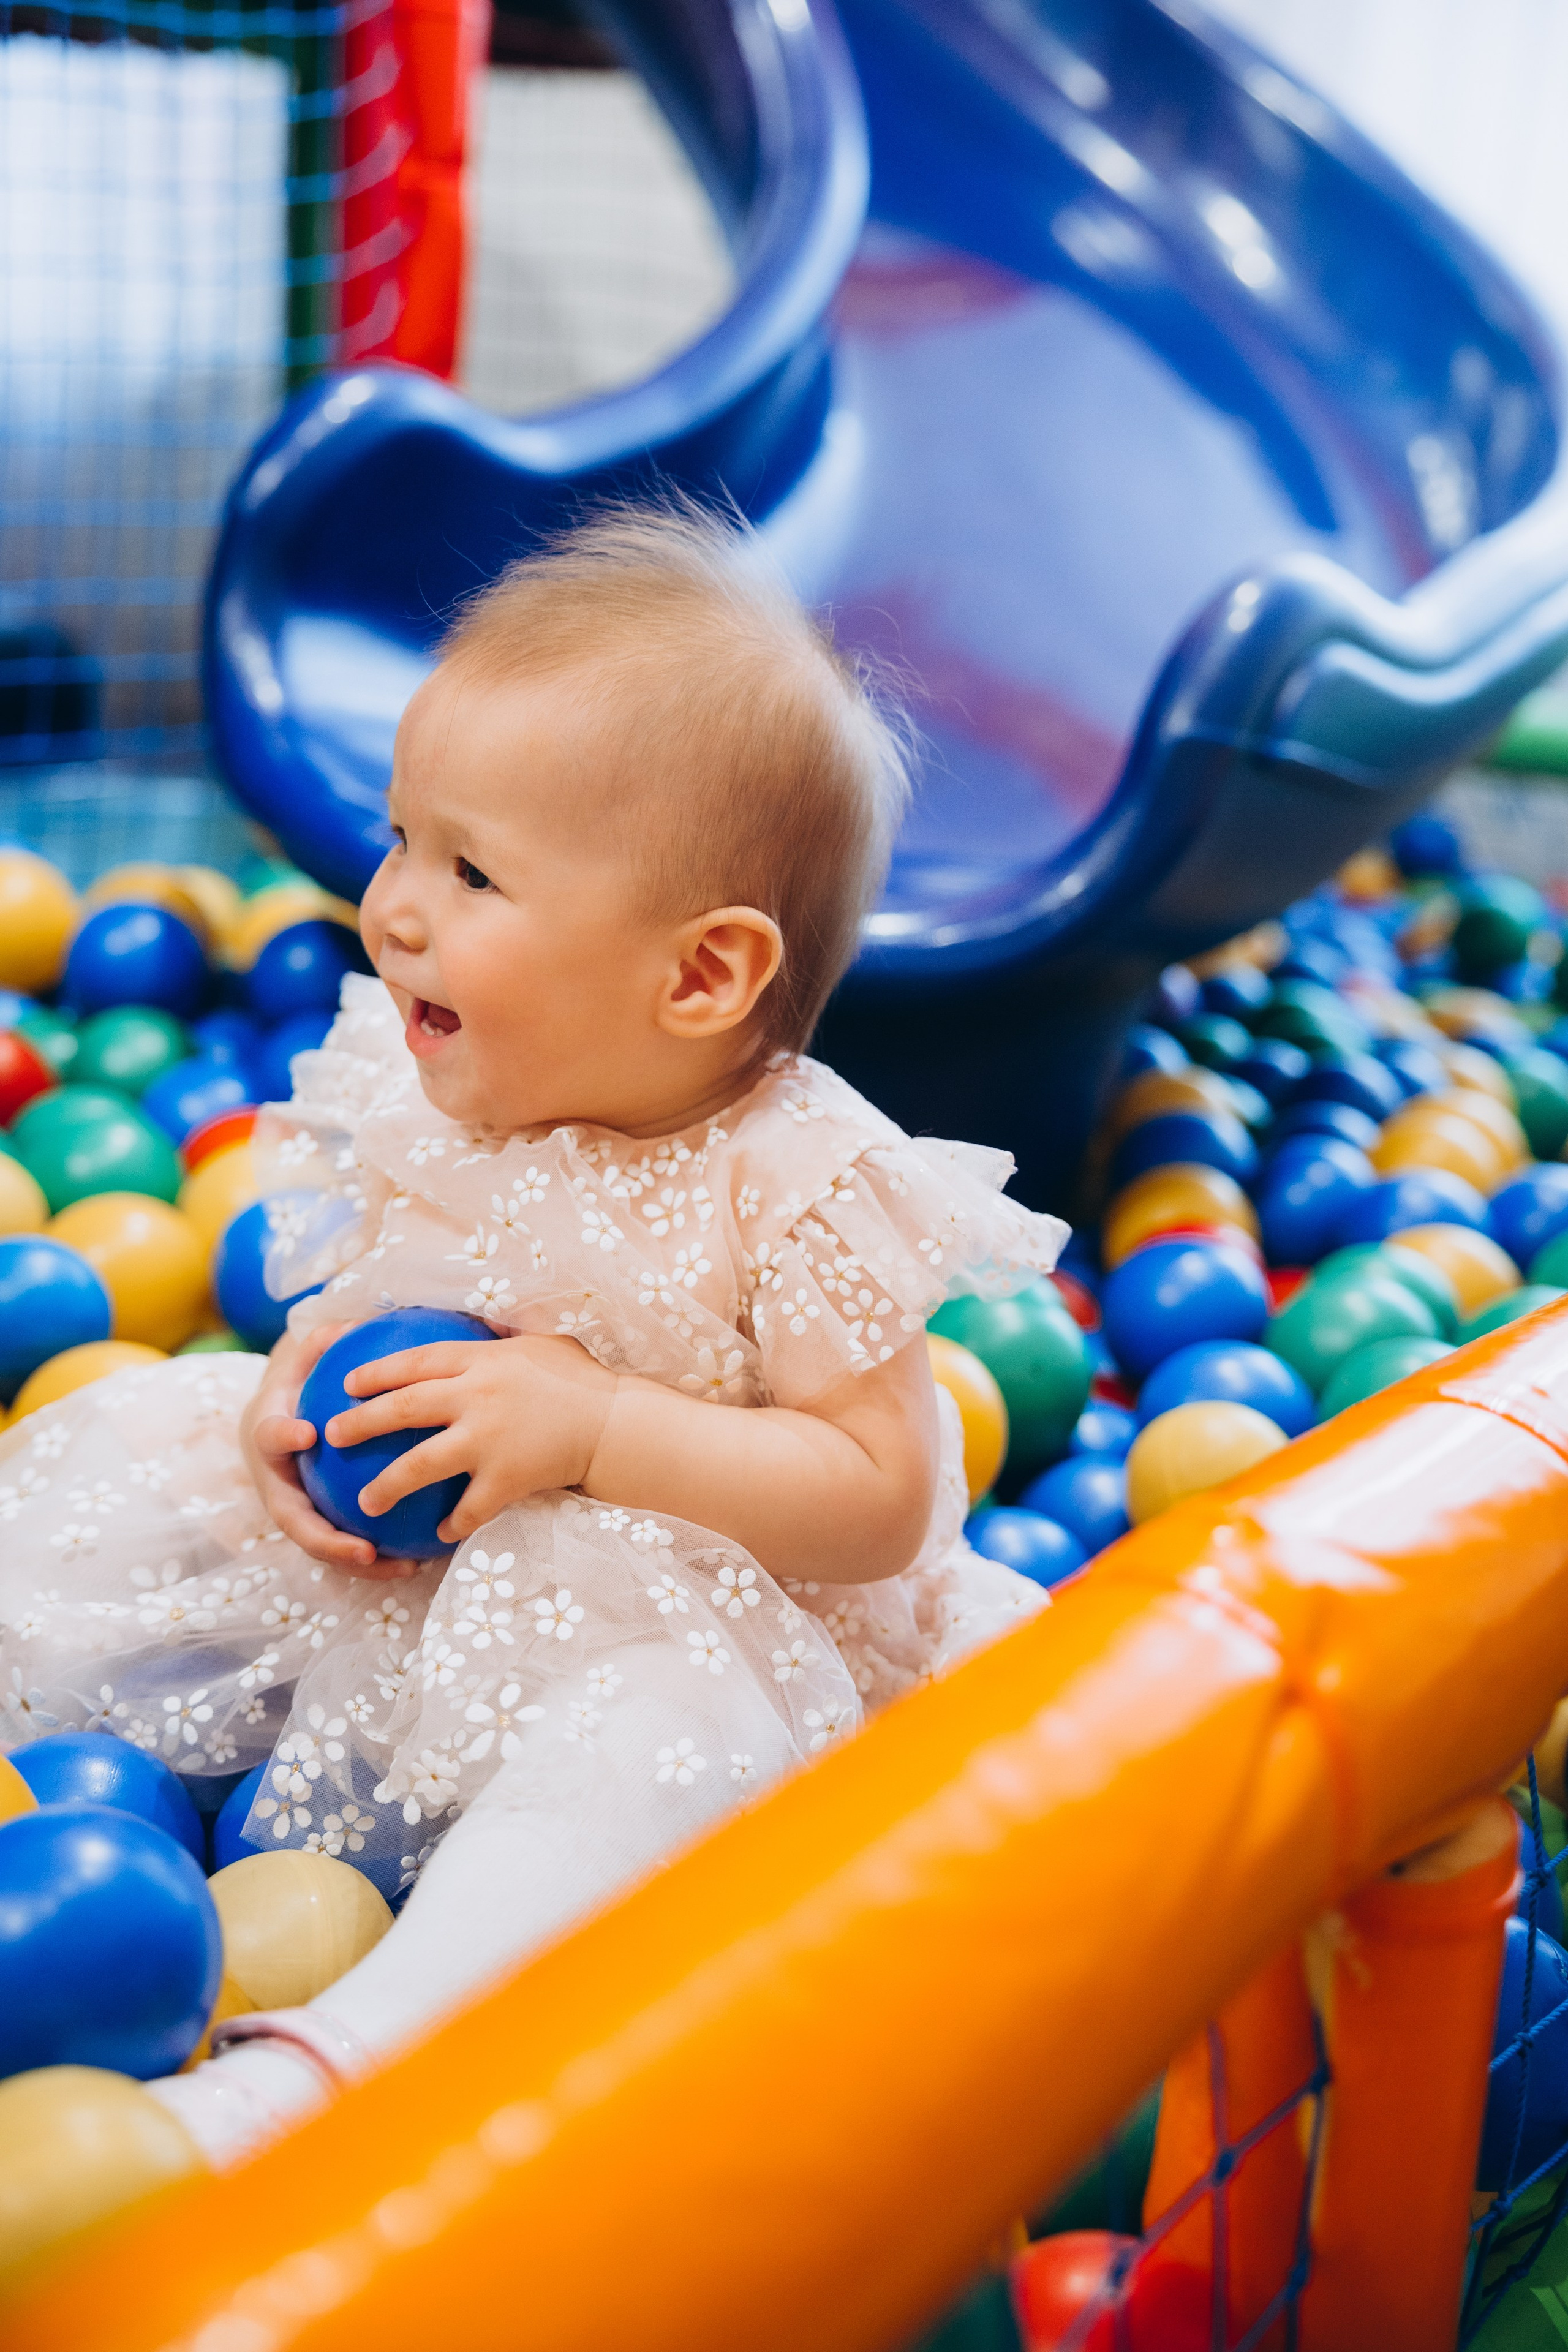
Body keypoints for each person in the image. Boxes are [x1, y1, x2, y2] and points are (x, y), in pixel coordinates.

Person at [0, 500, 1067, 2157]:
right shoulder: (460, 1085)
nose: (394, 907)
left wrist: (595, 1431)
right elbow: (373, 1305)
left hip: (703, 1630)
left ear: (701, 978)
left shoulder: (799, 1182)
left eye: (472, 870)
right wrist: (300, 1403)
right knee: (153, 1442)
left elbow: (889, 1499)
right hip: (434, 1587)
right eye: (401, 837)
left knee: (669, 1745)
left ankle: (337, 2068)